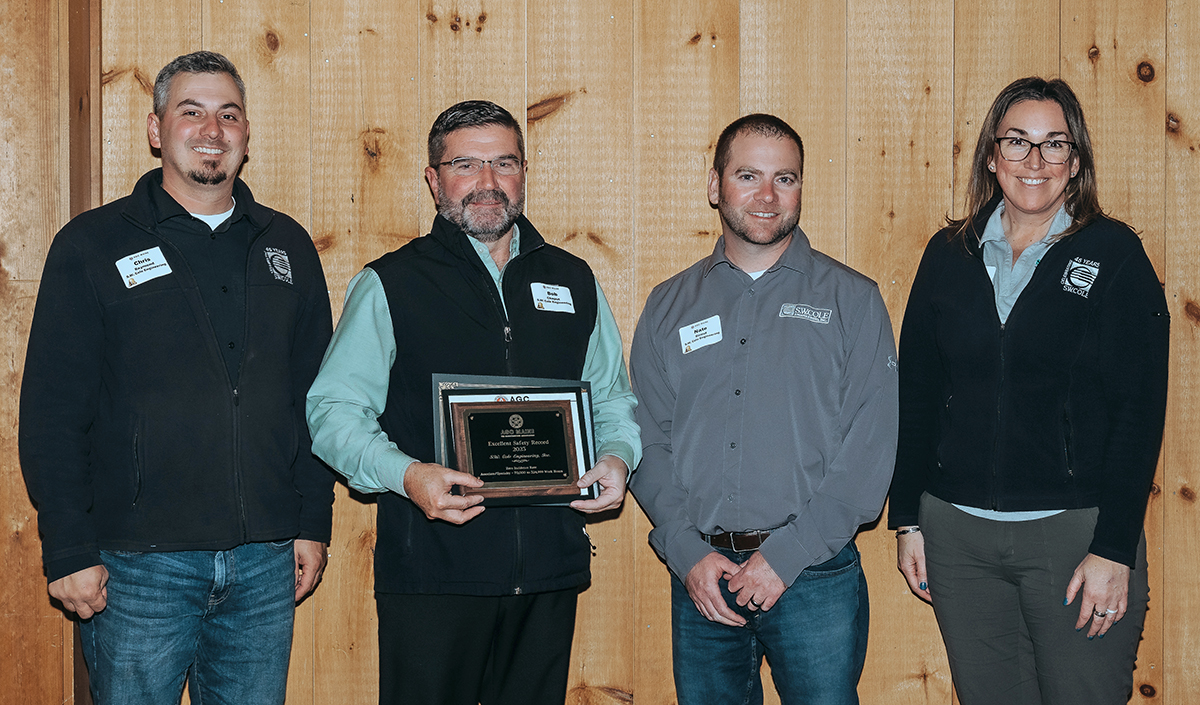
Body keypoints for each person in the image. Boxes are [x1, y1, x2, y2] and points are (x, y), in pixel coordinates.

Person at [18, 51, 335, 704]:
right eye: (190, 111)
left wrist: (313, 519)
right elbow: (52, 410)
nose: (211, 129)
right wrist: (69, 549)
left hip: (264, 563)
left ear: (245, 134)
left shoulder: (289, 247)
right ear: (157, 129)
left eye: (228, 114)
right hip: (138, 568)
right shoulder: (92, 245)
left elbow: (314, 399)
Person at [306, 100, 641, 705]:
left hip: (546, 573)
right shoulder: (391, 283)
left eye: (503, 163)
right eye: (465, 164)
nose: (487, 182)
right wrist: (407, 475)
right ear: (434, 180)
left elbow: (612, 398)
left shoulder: (574, 280)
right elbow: (333, 412)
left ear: (523, 172)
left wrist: (617, 459)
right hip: (434, 572)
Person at [888, 76, 1169, 705]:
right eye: (1017, 142)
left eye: (1054, 144)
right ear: (992, 155)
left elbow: (1139, 411)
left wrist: (1114, 547)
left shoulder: (1115, 254)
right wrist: (907, 517)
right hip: (957, 537)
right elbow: (919, 392)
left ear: (1076, 162)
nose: (1034, 161)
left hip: (1074, 540)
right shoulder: (947, 254)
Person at [628, 113, 898, 705]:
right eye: (748, 175)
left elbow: (870, 452)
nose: (768, 195)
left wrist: (787, 557)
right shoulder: (669, 305)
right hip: (700, 574)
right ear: (714, 185)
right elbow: (646, 440)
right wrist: (685, 550)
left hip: (813, 574)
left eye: (786, 178)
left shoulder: (852, 300)